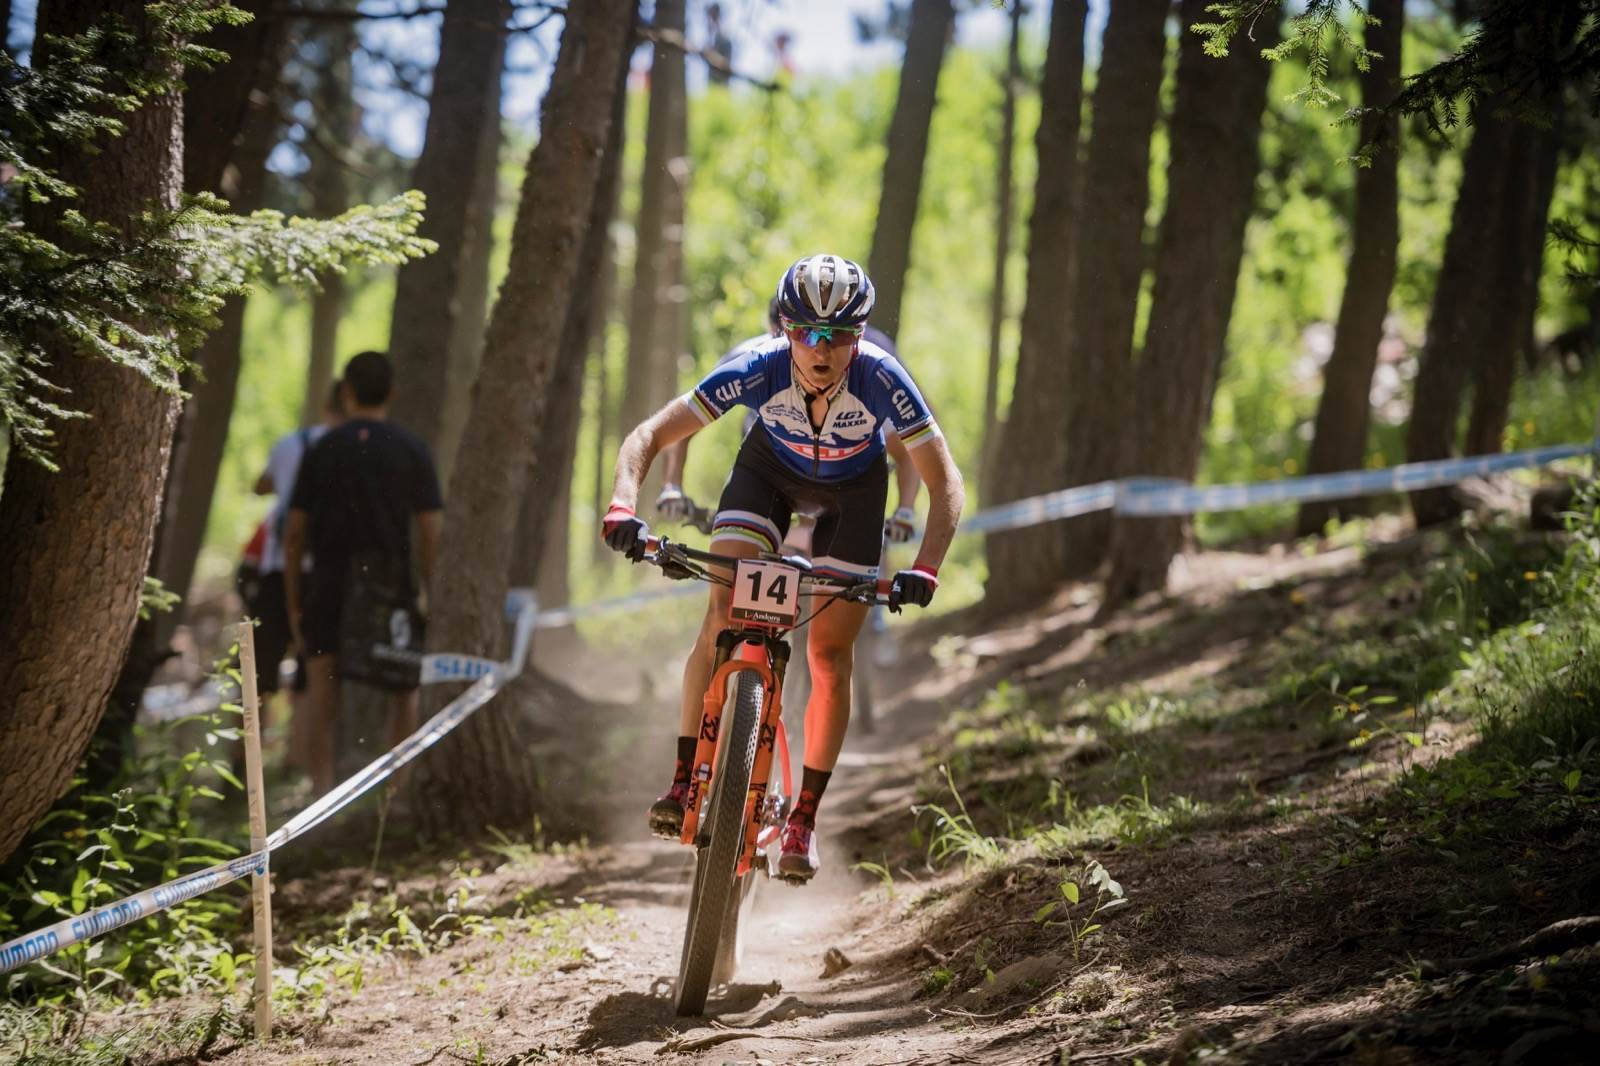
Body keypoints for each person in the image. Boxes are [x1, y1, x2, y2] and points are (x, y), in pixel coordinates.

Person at [601, 254, 965, 881]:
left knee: (829, 657)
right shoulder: (758, 366)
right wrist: (622, 506)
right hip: (766, 476)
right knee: (721, 616)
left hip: (852, 495)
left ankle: (803, 817)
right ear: (786, 330)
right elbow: (650, 434)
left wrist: (926, 567)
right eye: (808, 333)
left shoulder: (882, 378)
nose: (823, 349)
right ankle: (686, 779)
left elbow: (945, 481)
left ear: (861, 335)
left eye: (842, 335)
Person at [283, 351, 444, 796]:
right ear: (392, 392)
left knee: (321, 686)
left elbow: (294, 532)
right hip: (391, 582)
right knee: (402, 686)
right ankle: (399, 791)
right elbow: (431, 532)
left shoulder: (322, 448)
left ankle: (319, 789)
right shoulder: (413, 449)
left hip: (328, 580)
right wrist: (430, 591)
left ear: (347, 392)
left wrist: (294, 597)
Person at [250, 383, 343, 769]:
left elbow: (261, 486)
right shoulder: (351, 449)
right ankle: (300, 762)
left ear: (326, 404)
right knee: (313, 670)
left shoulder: (290, 444)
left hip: (275, 568)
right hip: (322, 572)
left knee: (259, 671)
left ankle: (244, 764)